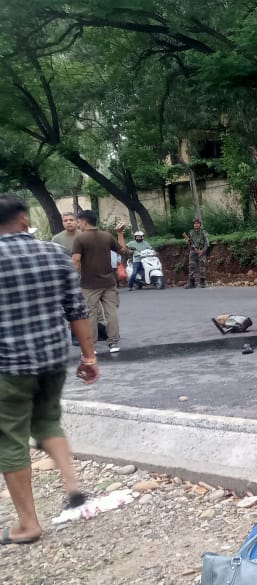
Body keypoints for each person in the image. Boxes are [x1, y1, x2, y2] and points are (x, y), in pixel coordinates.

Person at [0, 195, 99, 546]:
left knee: (10, 439)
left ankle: (28, 524)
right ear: (25, 220)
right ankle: (72, 485)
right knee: (47, 421)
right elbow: (77, 310)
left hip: (8, 365)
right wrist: (89, 357)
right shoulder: (54, 254)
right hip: (52, 360)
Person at [72, 210, 127, 353]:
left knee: (90, 314)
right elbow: (122, 250)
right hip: (109, 282)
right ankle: (113, 343)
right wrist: (120, 233)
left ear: (83, 221)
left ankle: (92, 346)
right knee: (111, 313)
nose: (78, 225)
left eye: (78, 222)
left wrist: (72, 279)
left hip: (89, 284)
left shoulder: (80, 239)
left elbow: (76, 260)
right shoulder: (107, 236)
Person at [183, 218, 209, 289]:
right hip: (193, 251)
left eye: (197, 223)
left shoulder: (204, 232)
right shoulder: (191, 232)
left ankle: (202, 282)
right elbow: (190, 242)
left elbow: (207, 243)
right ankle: (192, 283)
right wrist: (188, 242)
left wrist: (202, 251)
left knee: (202, 267)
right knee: (191, 266)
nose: (196, 225)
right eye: (195, 223)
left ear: (200, 224)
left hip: (201, 251)